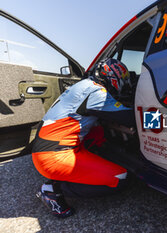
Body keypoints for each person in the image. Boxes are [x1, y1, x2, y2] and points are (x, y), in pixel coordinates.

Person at [31, 58, 135, 218]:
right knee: (119, 178)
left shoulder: (85, 86)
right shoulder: (96, 92)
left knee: (99, 131)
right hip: (54, 156)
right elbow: (130, 118)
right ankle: (53, 189)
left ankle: (79, 171)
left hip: (52, 146)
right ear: (114, 79)